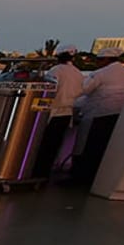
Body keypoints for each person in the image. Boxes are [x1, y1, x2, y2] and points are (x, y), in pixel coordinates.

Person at [67, 52, 124, 185]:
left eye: (99, 60)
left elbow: (83, 90)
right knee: (101, 148)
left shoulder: (100, 74)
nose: (97, 62)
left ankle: (78, 178)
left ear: (106, 59)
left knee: (86, 146)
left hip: (97, 114)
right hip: (116, 114)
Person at [38, 47, 84, 176]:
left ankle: (38, 172)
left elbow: (48, 90)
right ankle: (46, 173)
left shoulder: (55, 71)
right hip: (67, 114)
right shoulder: (78, 73)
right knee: (55, 145)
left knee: (45, 146)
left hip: (53, 113)